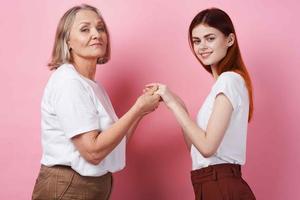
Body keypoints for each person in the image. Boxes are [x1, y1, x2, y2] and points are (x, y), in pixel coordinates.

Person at [32, 4, 160, 200]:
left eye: (100, 28)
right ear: (68, 41)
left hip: (91, 187)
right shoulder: (68, 82)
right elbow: (93, 152)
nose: (96, 34)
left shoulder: (92, 86)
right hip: (69, 186)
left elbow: (117, 143)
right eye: (85, 29)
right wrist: (136, 109)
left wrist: (141, 111)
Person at [147, 8, 256, 200]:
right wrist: (179, 106)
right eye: (197, 41)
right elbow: (197, 150)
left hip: (220, 184)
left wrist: (172, 103)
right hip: (208, 183)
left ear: (229, 40)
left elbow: (207, 147)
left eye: (210, 38)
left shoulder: (229, 80)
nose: (202, 46)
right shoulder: (221, 86)